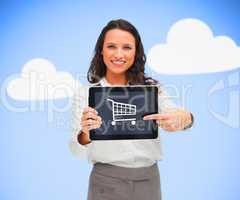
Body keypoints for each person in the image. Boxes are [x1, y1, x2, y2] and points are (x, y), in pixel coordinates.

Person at [70, 19, 194, 200]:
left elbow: (176, 115)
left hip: (149, 179)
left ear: (136, 53)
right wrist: (87, 133)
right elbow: (76, 147)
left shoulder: (153, 90)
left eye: (127, 47)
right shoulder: (86, 94)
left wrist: (186, 118)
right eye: (111, 46)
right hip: (106, 181)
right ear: (101, 51)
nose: (119, 54)